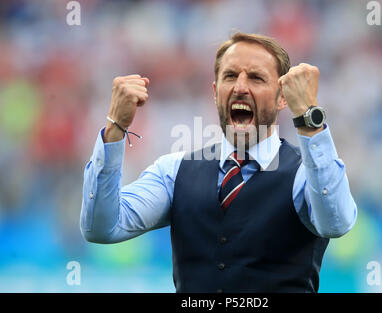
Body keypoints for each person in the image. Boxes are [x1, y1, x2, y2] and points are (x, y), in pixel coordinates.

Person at [80, 32, 357, 293]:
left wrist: (308, 118)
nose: (239, 87)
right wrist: (114, 129)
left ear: (282, 97)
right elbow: (102, 227)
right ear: (215, 91)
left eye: (256, 78)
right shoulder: (175, 171)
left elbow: (335, 223)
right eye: (230, 76)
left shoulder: (304, 174)